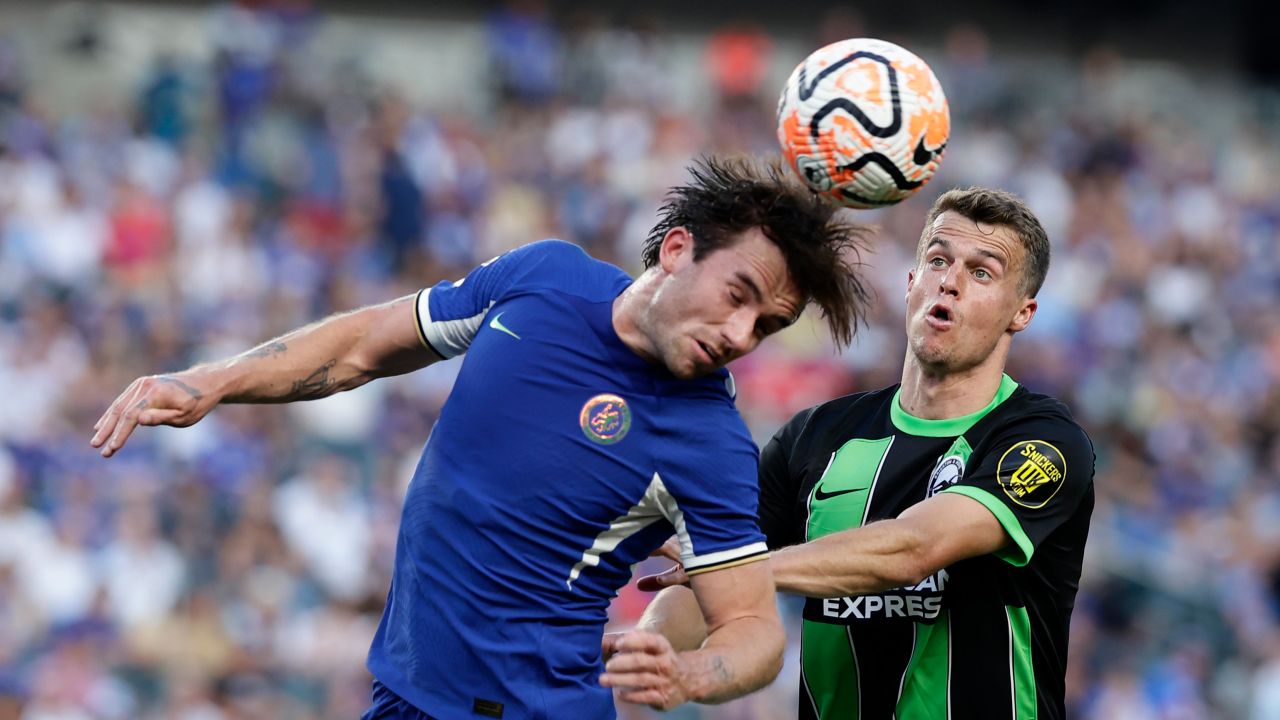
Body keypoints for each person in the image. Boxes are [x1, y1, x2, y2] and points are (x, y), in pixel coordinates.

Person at [90, 156, 873, 719]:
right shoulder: (545, 277)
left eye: (766, 326)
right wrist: (216, 381)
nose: (742, 333)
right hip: (404, 691)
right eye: (738, 296)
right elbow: (363, 345)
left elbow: (755, 630)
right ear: (677, 249)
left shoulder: (707, 441)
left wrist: (691, 675)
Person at [639, 187, 1096, 719]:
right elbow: (705, 584)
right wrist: (647, 648)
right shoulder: (816, 437)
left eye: (982, 272)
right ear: (911, 282)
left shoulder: (1042, 442)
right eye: (938, 260)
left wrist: (737, 567)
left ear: (1023, 312)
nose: (949, 281)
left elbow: (912, 550)